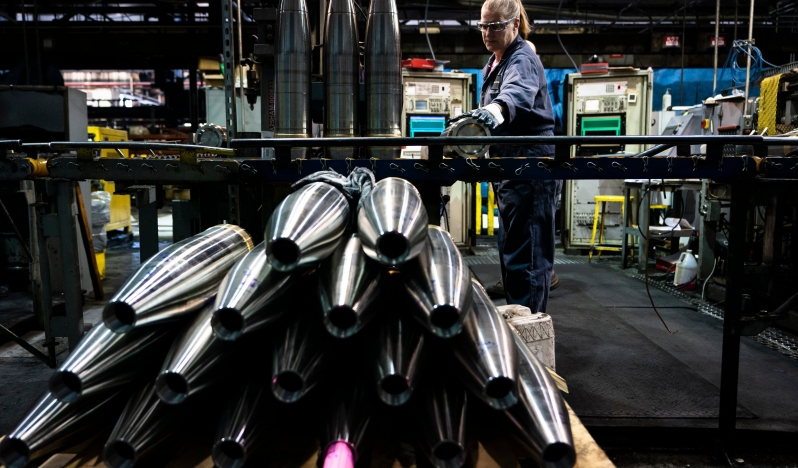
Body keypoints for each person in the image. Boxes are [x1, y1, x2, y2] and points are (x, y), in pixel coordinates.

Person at [449, 0, 561, 312]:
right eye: (483, 25)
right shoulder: (495, 62)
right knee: (514, 255)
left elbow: (516, 94)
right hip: (510, 169)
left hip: (530, 167)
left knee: (529, 259)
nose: (487, 32)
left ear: (514, 24)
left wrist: (494, 110)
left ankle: (531, 328)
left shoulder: (521, 58)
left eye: (495, 26)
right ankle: (518, 323)